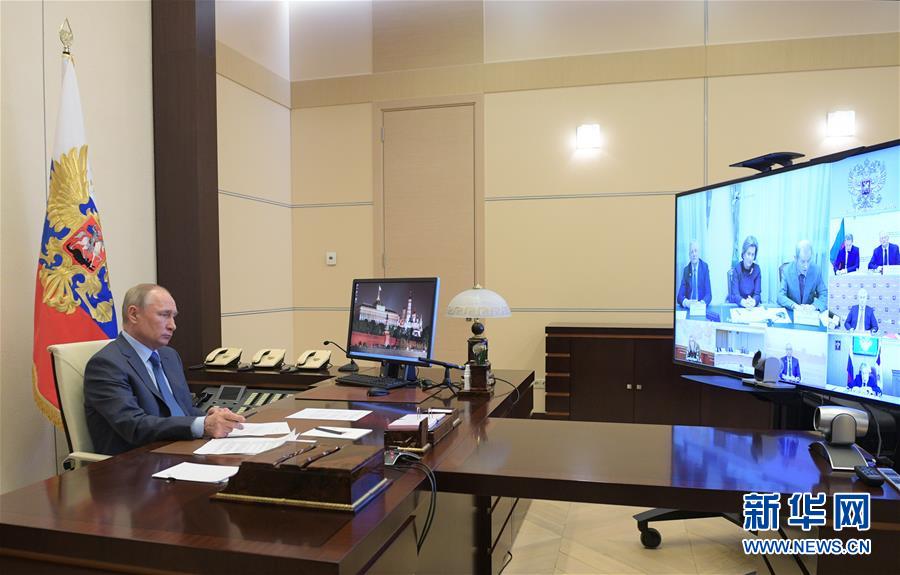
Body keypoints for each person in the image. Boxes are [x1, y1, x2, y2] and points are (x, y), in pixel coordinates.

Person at [84, 283, 245, 455]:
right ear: (133, 314)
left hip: (183, 449)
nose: (172, 325)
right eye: (164, 315)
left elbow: (183, 410)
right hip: (140, 461)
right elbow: (133, 426)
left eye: (173, 317)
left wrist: (208, 417)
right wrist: (202, 424)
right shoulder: (106, 364)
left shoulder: (169, 356)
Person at [777, 240, 827, 312]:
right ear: (795, 258)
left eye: (808, 261)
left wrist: (814, 307)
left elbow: (824, 294)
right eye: (802, 261)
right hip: (792, 311)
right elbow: (780, 296)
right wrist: (794, 306)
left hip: (809, 312)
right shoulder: (786, 270)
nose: (806, 266)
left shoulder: (816, 270)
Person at [727, 236, 761, 308]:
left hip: (751, 307)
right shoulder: (737, 269)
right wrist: (744, 302)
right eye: (748, 254)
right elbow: (735, 295)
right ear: (743, 254)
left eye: (752, 255)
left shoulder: (757, 269)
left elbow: (757, 294)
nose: (750, 258)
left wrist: (754, 301)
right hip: (739, 306)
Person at [676, 240, 712, 308]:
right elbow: (679, 296)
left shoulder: (704, 267)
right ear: (689, 255)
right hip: (689, 307)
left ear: (699, 253)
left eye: (696, 251)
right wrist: (687, 303)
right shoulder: (686, 270)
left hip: (701, 306)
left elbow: (709, 294)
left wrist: (702, 303)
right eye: (691, 252)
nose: (694, 254)